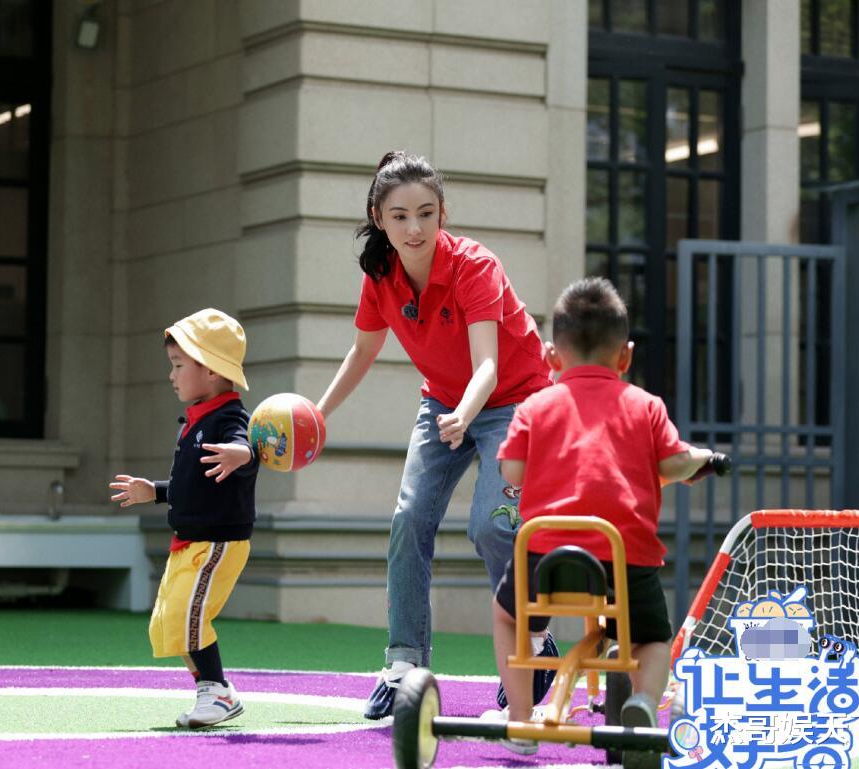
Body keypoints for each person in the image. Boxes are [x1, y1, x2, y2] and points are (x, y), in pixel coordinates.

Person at [315, 151, 557, 720]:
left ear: (443, 212)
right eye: (400, 216)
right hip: (445, 402)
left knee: (492, 527)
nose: (415, 227)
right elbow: (362, 351)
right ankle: (403, 665)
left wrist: (465, 415)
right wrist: (318, 417)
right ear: (379, 218)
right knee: (409, 520)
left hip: (514, 400)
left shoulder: (475, 265)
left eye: (426, 213)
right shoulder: (380, 276)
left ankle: (535, 642)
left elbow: (490, 367)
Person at [488, 277, 721, 755]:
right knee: (654, 640)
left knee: (508, 617)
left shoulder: (536, 405)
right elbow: (672, 464)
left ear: (552, 357)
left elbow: (512, 469)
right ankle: (641, 702)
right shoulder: (646, 407)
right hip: (624, 559)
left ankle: (520, 721)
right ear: (626, 356)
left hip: (543, 555)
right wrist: (701, 459)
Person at [109, 308, 259, 729]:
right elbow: (193, 485)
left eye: (178, 366)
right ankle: (214, 689)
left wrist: (242, 453)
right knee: (168, 621)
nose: (172, 376)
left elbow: (248, 447)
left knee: (187, 618)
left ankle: (216, 690)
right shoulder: (195, 421)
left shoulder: (229, 417)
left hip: (217, 542)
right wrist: (155, 491)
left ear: (211, 370)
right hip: (191, 540)